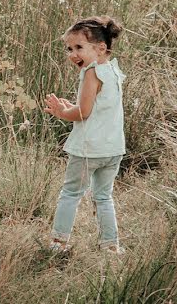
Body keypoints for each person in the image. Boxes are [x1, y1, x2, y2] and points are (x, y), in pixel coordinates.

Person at [43, 16, 126, 255]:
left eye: (79, 47)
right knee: (103, 197)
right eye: (69, 48)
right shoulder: (112, 70)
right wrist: (72, 107)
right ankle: (110, 245)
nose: (72, 54)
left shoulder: (91, 73)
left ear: (101, 48)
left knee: (70, 193)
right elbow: (98, 108)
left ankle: (58, 243)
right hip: (113, 149)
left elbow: (83, 112)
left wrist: (63, 112)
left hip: (89, 149)